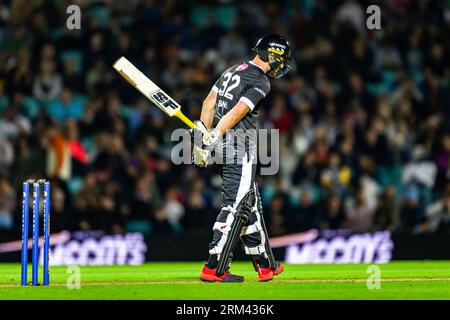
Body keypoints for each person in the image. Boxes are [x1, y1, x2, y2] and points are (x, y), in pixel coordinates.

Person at [191, 34, 294, 282]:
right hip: (240, 148)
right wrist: (212, 135)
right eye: (281, 59)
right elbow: (238, 112)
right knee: (237, 206)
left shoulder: (232, 69)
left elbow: (209, 103)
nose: (282, 65)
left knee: (250, 202)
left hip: (224, 146)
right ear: (272, 55)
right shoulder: (261, 80)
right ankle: (214, 267)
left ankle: (265, 264)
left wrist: (203, 138)